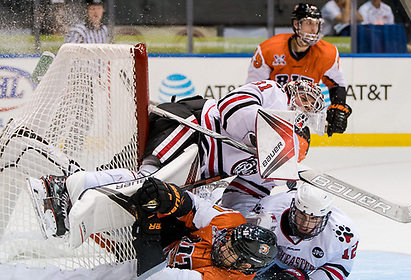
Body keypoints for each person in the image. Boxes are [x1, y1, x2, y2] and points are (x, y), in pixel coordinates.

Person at [28, 79, 327, 238]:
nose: (303, 104)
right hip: (190, 127)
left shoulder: (272, 163)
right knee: (148, 182)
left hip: (196, 166)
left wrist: (244, 223)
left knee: (145, 191)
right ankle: (61, 188)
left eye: (310, 106)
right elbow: (231, 111)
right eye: (303, 97)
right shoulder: (272, 94)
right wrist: (263, 132)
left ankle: (72, 192)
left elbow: (243, 198)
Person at [128, 177, 278, 280]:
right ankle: (216, 194)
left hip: (150, 270)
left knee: (110, 276)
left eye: (231, 250)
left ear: (244, 265)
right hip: (175, 235)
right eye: (229, 240)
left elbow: (157, 276)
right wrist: (172, 197)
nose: (223, 246)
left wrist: (148, 234)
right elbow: (195, 207)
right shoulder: (232, 223)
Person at [246, 3, 353, 137]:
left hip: (302, 117)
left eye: (317, 23)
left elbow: (338, 85)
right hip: (271, 113)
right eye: (309, 23)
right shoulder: (269, 49)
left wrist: (338, 105)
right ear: (296, 24)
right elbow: (252, 89)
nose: (314, 29)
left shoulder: (327, 53)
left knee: (299, 144)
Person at [247, 182, 359, 280]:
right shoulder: (268, 210)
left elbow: (336, 273)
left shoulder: (343, 235)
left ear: (326, 217)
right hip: (265, 263)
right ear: (293, 208)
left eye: (314, 218)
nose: (305, 224)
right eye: (302, 215)